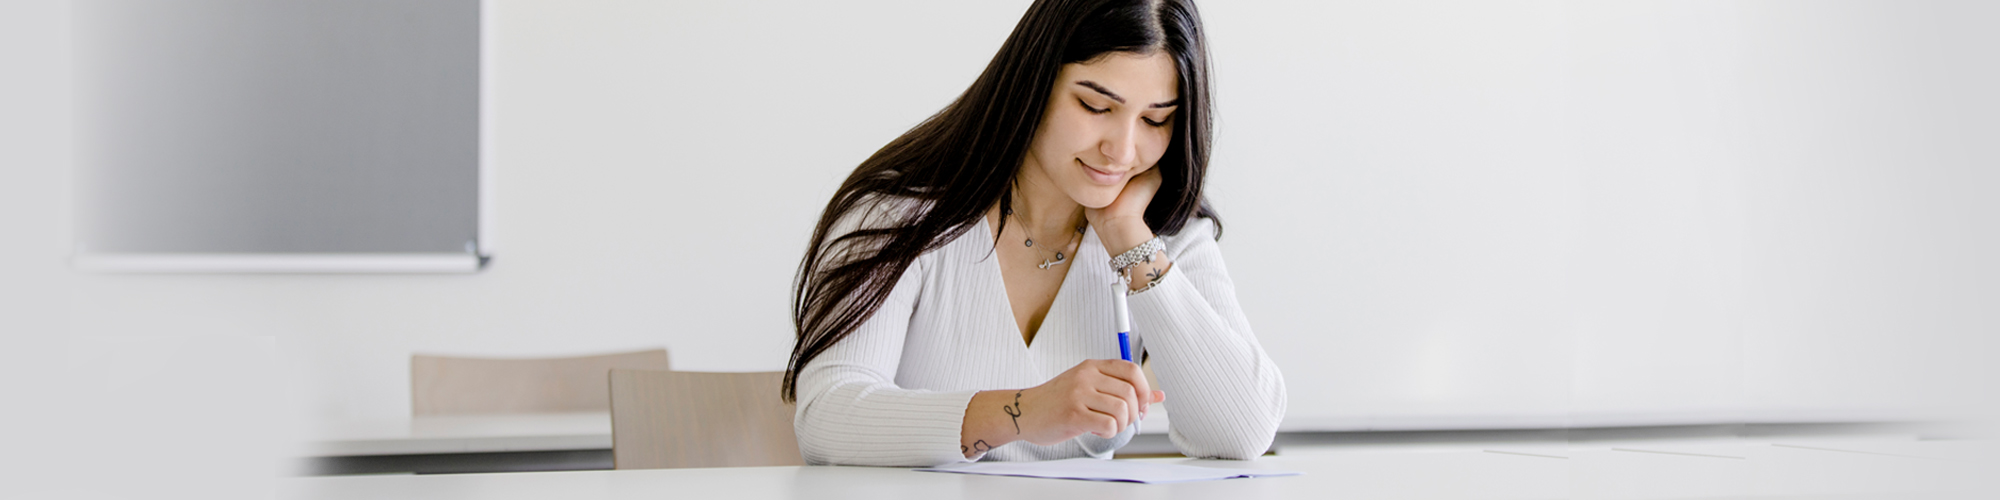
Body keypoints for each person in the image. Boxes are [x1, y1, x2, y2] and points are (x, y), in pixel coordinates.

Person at [784, 0, 1284, 466]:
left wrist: (1130, 241)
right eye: (1095, 107)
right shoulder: (898, 215)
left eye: (1156, 120)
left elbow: (1240, 433)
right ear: (1034, 83)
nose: (1123, 150)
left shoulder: (1162, 234)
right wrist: (1023, 412)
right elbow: (827, 418)